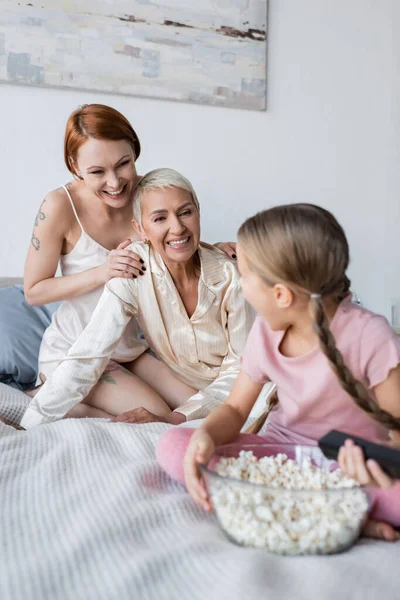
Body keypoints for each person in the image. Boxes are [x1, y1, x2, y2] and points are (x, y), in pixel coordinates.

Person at [156, 203, 400, 541]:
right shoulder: (265, 333)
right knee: (174, 445)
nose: (240, 286)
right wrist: (207, 436)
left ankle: (324, 507)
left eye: (243, 276)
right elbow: (236, 409)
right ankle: (340, 513)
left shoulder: (370, 335)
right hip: (278, 454)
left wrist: (377, 467)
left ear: (281, 295)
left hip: (346, 468)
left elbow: (398, 428)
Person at [23, 104, 236, 417]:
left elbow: (171, 237)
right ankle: (52, 396)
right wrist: (103, 272)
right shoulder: (59, 205)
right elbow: (33, 291)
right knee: (151, 413)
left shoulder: (144, 193)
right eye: (97, 172)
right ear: (75, 165)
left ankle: (75, 407)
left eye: (123, 164)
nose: (114, 182)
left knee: (196, 404)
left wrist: (214, 250)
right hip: (79, 349)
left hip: (131, 348)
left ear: (135, 153)